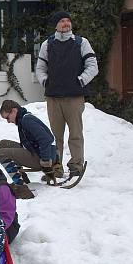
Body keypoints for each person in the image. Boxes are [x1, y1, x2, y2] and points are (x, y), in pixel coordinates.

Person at [35, 11, 98, 179]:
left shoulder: (81, 43)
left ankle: (76, 165)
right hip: (53, 97)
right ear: (56, 25)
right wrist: (45, 82)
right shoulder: (47, 44)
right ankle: (56, 167)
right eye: (62, 21)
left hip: (74, 96)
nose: (66, 24)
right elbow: (40, 68)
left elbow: (92, 65)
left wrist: (81, 80)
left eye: (68, 21)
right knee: (55, 136)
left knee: (76, 133)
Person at [0, 99, 58, 198]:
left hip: (42, 158)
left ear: (14, 111)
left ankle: (21, 188)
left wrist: (46, 161)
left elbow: (46, 139)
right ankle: (24, 181)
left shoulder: (27, 120)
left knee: (1, 153)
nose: (8, 121)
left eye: (7, 117)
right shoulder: (23, 119)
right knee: (3, 144)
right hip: (37, 152)